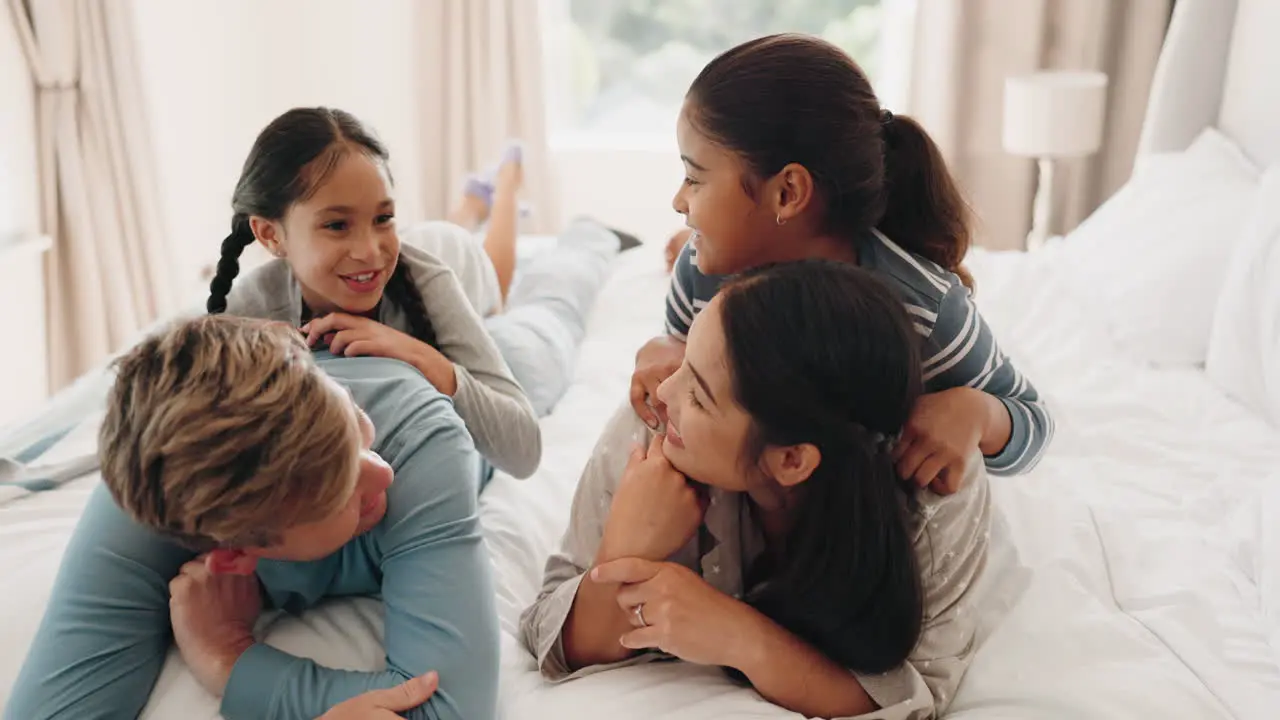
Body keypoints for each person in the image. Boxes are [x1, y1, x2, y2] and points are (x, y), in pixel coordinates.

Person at [521, 260, 991, 720]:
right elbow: (553, 640)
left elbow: (916, 698)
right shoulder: (653, 427)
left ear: (791, 460)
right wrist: (622, 550)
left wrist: (738, 636)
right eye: (682, 364)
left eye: (699, 396)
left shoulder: (936, 492)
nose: (664, 394)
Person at [5, 316, 500, 720]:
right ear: (235, 555)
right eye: (340, 493)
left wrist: (233, 661)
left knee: (536, 333)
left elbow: (447, 709)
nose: (384, 473)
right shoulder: (149, 495)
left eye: (351, 421)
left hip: (455, 394)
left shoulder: (419, 442)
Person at [632, 34, 1053, 492]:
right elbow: (676, 343)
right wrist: (665, 350)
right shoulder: (700, 269)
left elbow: (1032, 420)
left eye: (694, 177)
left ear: (788, 192)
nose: (678, 199)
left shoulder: (925, 309)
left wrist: (976, 411)